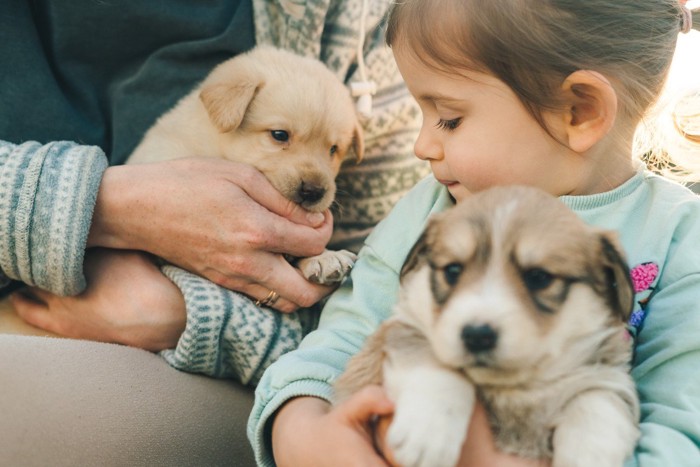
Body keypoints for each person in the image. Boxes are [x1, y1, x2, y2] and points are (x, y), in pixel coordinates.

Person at [251, 0, 700, 465]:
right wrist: (301, 429)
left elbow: (682, 433)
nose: (422, 145)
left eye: (448, 117)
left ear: (580, 110)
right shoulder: (429, 208)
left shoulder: (681, 239)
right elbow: (342, 346)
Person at [0, 0, 428, 464]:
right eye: (281, 136)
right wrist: (103, 208)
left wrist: (193, 316)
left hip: (218, 384)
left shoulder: (363, 24)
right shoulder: (192, 131)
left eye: (334, 151)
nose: (315, 178)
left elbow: (364, 318)